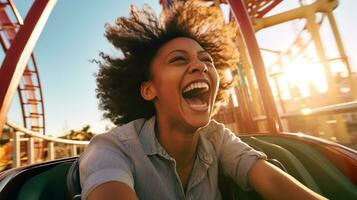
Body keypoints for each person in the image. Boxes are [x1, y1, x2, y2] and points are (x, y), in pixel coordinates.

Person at [79, 1, 327, 199]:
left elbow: (271, 181)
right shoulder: (111, 148)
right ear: (148, 89)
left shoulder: (217, 138)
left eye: (207, 60)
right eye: (179, 59)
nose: (200, 65)